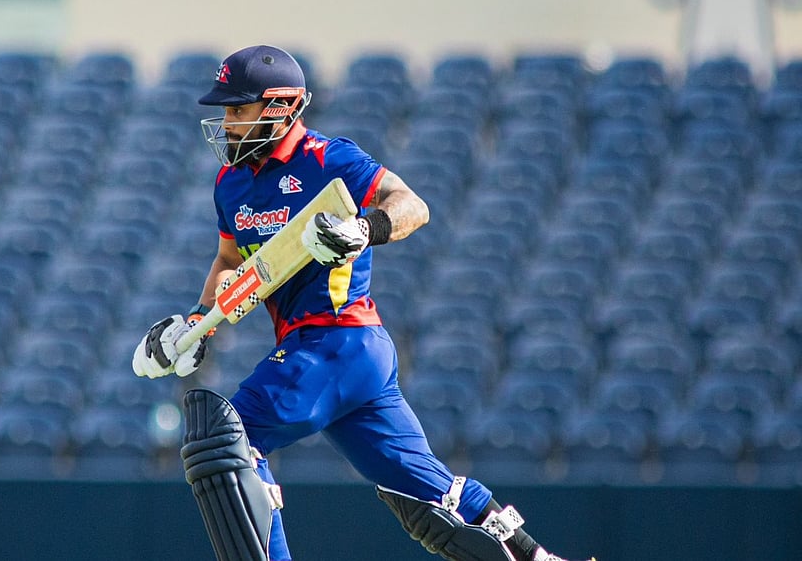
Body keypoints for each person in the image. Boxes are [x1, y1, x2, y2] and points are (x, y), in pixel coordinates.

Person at [132, 44, 592, 561]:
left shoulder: (328, 159)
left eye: (238, 110)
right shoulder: (231, 183)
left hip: (337, 339)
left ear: (281, 107)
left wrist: (362, 230)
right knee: (430, 498)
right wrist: (198, 323)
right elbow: (228, 259)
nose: (227, 123)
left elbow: (412, 205)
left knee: (226, 438)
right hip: (337, 357)